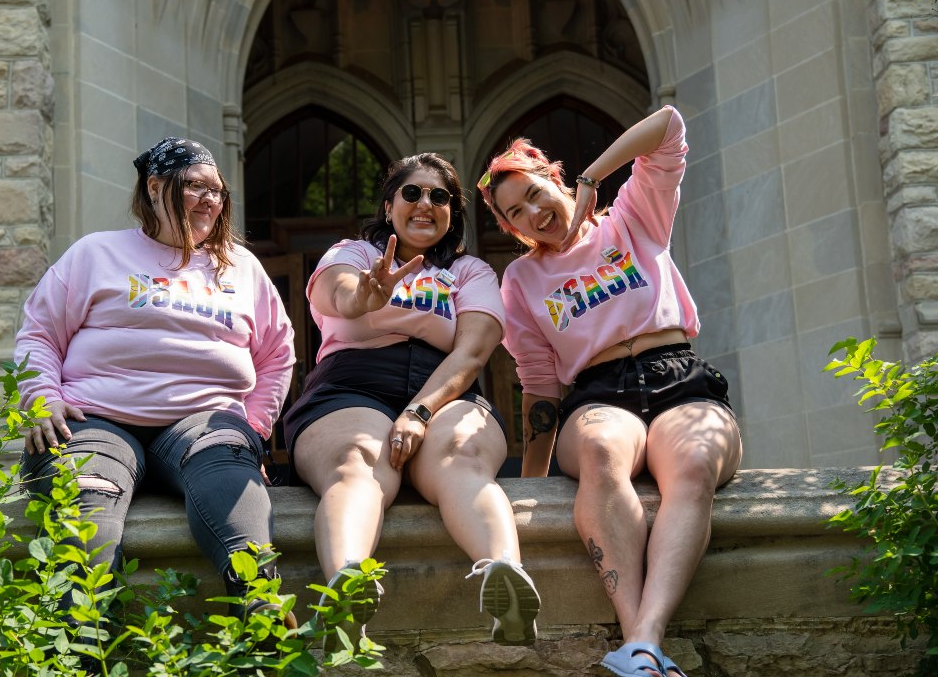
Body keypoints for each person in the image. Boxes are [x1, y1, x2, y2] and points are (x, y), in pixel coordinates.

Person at [478, 106, 742, 677]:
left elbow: (668, 126)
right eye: (514, 212)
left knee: (694, 463)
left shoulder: (631, 219)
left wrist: (595, 178)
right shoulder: (521, 279)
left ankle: (644, 642)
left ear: (556, 178)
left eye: (534, 193)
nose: (532, 213)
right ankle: (638, 646)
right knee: (600, 451)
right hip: (598, 392)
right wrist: (532, 482)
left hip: (678, 375)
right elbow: (541, 386)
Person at [15, 136, 296, 625]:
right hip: (94, 419)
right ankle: (81, 639)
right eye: (195, 187)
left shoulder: (241, 268)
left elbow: (277, 352)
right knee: (89, 498)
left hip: (204, 420)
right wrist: (42, 396)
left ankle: (261, 607)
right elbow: (38, 332)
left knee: (228, 468)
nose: (211, 199)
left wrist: (254, 425)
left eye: (218, 190)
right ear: (154, 187)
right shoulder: (95, 253)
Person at [282, 152, 541, 645]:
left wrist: (420, 411)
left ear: (452, 212)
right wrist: (367, 296)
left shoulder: (470, 272)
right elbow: (338, 297)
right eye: (413, 192)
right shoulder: (354, 254)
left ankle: (505, 576)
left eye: (439, 196)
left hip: (443, 387)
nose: (426, 203)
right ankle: (347, 586)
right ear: (388, 205)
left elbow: (472, 353)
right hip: (350, 383)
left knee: (461, 457)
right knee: (356, 459)